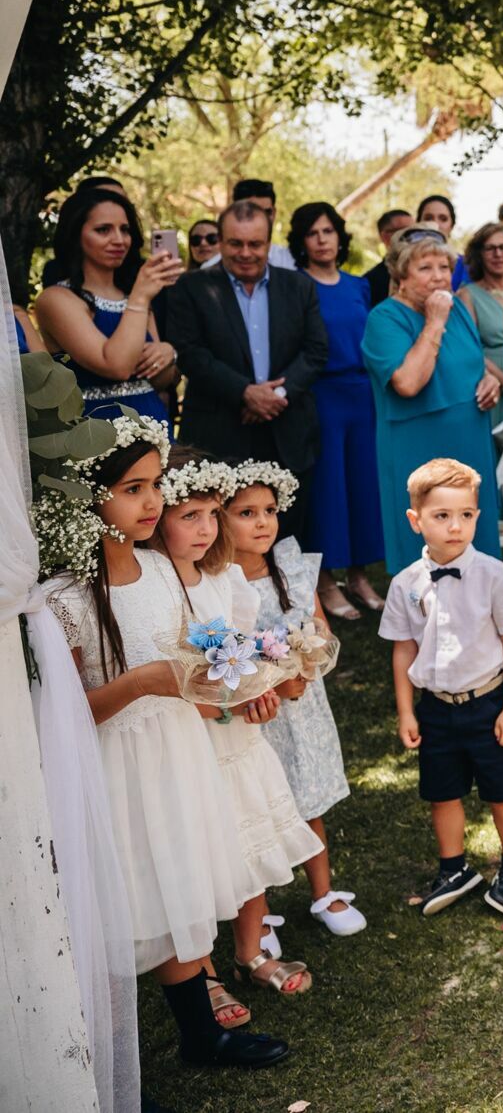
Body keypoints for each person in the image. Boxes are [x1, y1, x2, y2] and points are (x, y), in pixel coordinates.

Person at [41, 423, 290, 1067]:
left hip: (178, 754)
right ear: (88, 495)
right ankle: (107, 1063)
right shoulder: (65, 597)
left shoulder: (159, 568)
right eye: (133, 489)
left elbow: (188, 668)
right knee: (125, 901)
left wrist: (241, 691)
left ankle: (202, 1037)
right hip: (115, 765)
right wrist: (139, 683)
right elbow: (63, 717)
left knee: (176, 883)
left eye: (155, 485)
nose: (152, 502)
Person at [145, 450, 323, 1004]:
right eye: (189, 516)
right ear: (159, 518)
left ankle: (251, 952)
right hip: (187, 739)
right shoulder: (149, 586)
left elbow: (243, 658)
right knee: (198, 855)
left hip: (236, 739)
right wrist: (222, 704)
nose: (206, 529)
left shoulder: (225, 581)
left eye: (212, 515)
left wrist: (261, 691)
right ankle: (204, 974)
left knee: (251, 841)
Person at [382, 457, 503, 917]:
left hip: (488, 703)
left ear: (477, 516)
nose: (455, 526)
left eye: (466, 515)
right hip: (435, 708)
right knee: (442, 792)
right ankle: (453, 868)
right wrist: (406, 711)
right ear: (416, 520)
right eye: (442, 516)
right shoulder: (405, 584)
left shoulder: (497, 576)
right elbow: (403, 651)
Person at [226, 462, 364, 941]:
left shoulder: (291, 566)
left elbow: (319, 630)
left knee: (307, 797)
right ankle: (257, 913)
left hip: (303, 710)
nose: (262, 522)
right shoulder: (218, 583)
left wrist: (305, 666)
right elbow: (225, 657)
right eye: (246, 513)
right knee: (258, 809)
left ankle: (322, 891)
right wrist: (275, 682)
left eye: (269, 510)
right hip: (257, 715)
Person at [170, 200, 328, 541]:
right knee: (218, 539)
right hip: (219, 432)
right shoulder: (191, 287)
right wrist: (245, 392)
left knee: (286, 538)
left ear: (269, 243)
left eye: (255, 244)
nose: (245, 253)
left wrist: (275, 396)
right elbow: (190, 353)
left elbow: (316, 351)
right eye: (235, 243)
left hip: (287, 432)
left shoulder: (299, 286)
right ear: (221, 241)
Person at [360, 233, 503, 575]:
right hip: (417, 447)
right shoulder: (385, 318)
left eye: (444, 267)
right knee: (427, 541)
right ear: (401, 275)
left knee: (474, 539)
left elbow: (471, 363)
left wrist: (489, 380)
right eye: (425, 268)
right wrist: (434, 322)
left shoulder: (459, 311)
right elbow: (408, 383)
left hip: (470, 444)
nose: (439, 276)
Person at [287, 201, 385, 618]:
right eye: (313, 233)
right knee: (329, 490)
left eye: (328, 231)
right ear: (301, 241)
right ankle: (325, 581)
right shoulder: (295, 286)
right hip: (321, 396)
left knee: (362, 487)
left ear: (340, 237)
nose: (322, 240)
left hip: (363, 395)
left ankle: (359, 577)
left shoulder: (358, 285)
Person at [33, 185, 181, 428]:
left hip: (153, 420)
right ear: (75, 235)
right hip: (97, 428)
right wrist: (140, 298)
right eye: (103, 230)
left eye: (125, 230)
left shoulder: (133, 295)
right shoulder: (56, 299)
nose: (119, 240)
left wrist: (167, 354)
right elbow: (117, 367)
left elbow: (158, 381)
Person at [459, 222, 503, 455]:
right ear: (479, 254)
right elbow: (470, 349)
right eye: (490, 248)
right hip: (493, 386)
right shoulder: (467, 295)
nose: (498, 254)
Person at [198, 179, 297, 271]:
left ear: (274, 213)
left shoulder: (292, 263)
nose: (261, 219)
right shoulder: (210, 270)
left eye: (267, 212)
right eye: (252, 213)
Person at [417, 194, 469, 287]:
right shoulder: (404, 264)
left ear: (451, 226)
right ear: (418, 223)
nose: (436, 224)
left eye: (443, 219)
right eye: (428, 218)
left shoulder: (467, 266)